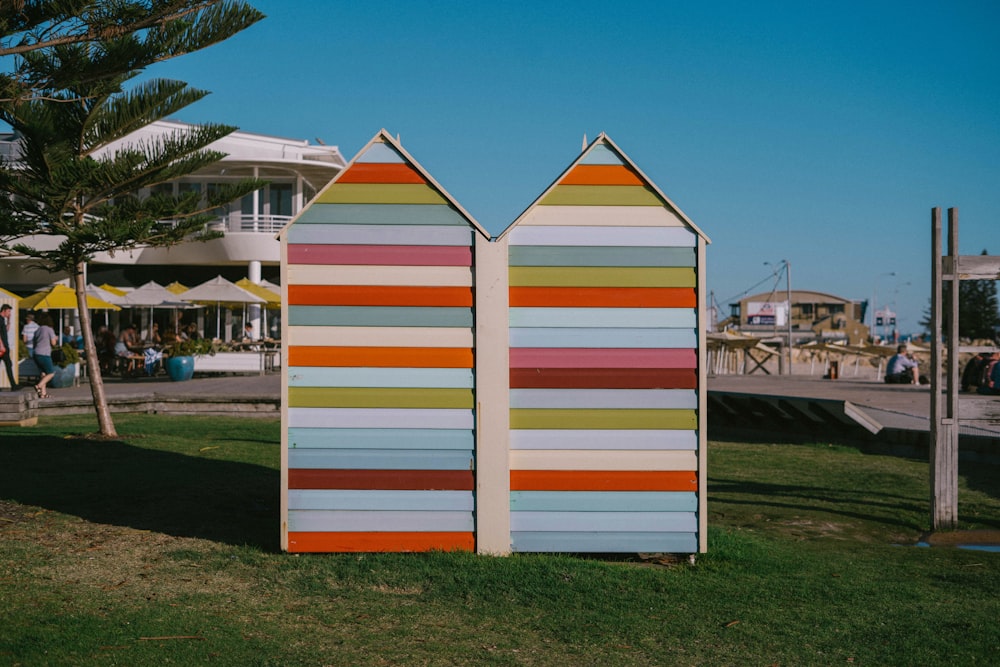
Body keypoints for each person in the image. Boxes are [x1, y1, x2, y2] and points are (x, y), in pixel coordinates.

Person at [32, 313, 58, 398]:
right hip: (45, 354)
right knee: (51, 373)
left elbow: (34, 343)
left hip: (36, 353)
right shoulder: (49, 329)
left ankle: (43, 394)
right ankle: (38, 386)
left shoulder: (37, 330)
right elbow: (53, 343)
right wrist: (56, 338)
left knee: (43, 374)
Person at [0, 304, 17, 390]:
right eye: (9, 311)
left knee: (8, 365)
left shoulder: (3, 319)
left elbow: (6, 330)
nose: (9, 313)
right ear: (4, 310)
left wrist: (9, 320)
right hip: (2, 348)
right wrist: (2, 346)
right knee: (8, 365)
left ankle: (13, 385)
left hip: (4, 347)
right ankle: (13, 385)